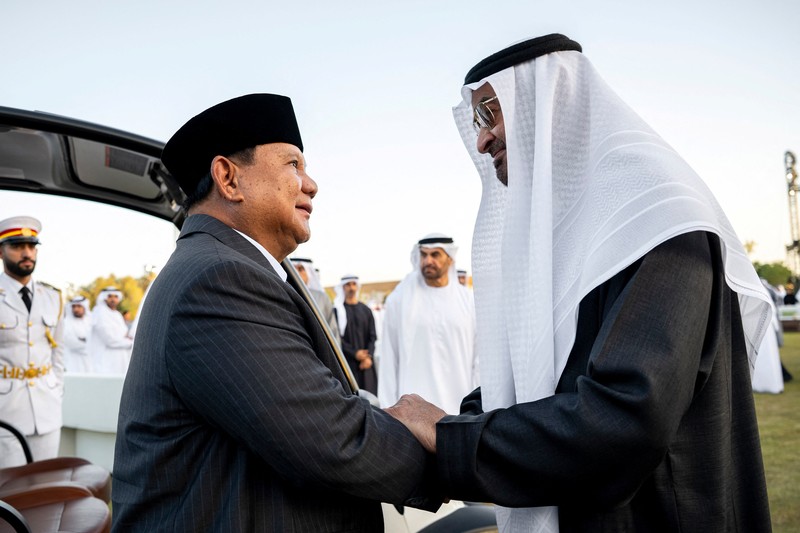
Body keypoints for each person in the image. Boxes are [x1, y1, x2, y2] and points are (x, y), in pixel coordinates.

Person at [385, 34, 773, 532]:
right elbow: (536, 380)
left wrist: (450, 437)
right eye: (477, 120)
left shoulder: (658, 218)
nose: (482, 140)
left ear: (552, 104)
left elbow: (624, 419)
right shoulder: (581, 232)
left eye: (491, 114)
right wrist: (430, 432)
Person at [112, 94, 438, 531]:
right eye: (293, 165)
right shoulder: (219, 279)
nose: (311, 184)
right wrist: (471, 453)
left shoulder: (233, 267)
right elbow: (331, 442)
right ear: (228, 178)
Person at [378, 234, 477, 414]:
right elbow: (388, 360)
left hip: (460, 412)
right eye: (423, 255)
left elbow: (477, 361)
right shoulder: (399, 301)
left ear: (450, 258)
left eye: (435, 255)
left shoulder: (469, 301)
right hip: (412, 416)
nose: (427, 260)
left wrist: (477, 410)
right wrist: (388, 412)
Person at [0, 216, 64, 467]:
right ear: (1, 251)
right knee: (9, 493)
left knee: (45, 489)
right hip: (5, 411)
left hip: (47, 410)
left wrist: (56, 390)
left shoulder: (53, 297)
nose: (27, 253)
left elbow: (58, 354)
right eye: (17, 246)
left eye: (31, 246)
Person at [334, 275, 378, 394]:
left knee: (370, 399)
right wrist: (355, 353)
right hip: (347, 363)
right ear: (342, 287)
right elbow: (336, 337)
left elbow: (372, 336)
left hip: (366, 364)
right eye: (348, 285)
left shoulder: (366, 310)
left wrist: (368, 357)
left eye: (354, 284)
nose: (351, 288)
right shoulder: (337, 311)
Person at [290, 256, 341, 344]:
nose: (296, 272)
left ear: (309, 272)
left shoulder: (322, 297)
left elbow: (332, 329)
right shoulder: (285, 293)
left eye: (301, 269)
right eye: (293, 268)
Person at [89, 286, 133, 375]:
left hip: (120, 361)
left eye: (115, 297)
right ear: (104, 298)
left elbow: (124, 334)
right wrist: (131, 343)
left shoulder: (117, 315)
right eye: (110, 296)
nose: (113, 299)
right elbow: (110, 340)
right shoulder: (100, 313)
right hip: (105, 363)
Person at [62, 295, 92, 373]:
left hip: (90, 362)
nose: (76, 309)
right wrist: (90, 345)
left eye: (79, 306)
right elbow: (72, 343)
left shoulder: (90, 321)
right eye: (74, 307)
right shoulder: (66, 323)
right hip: (73, 362)